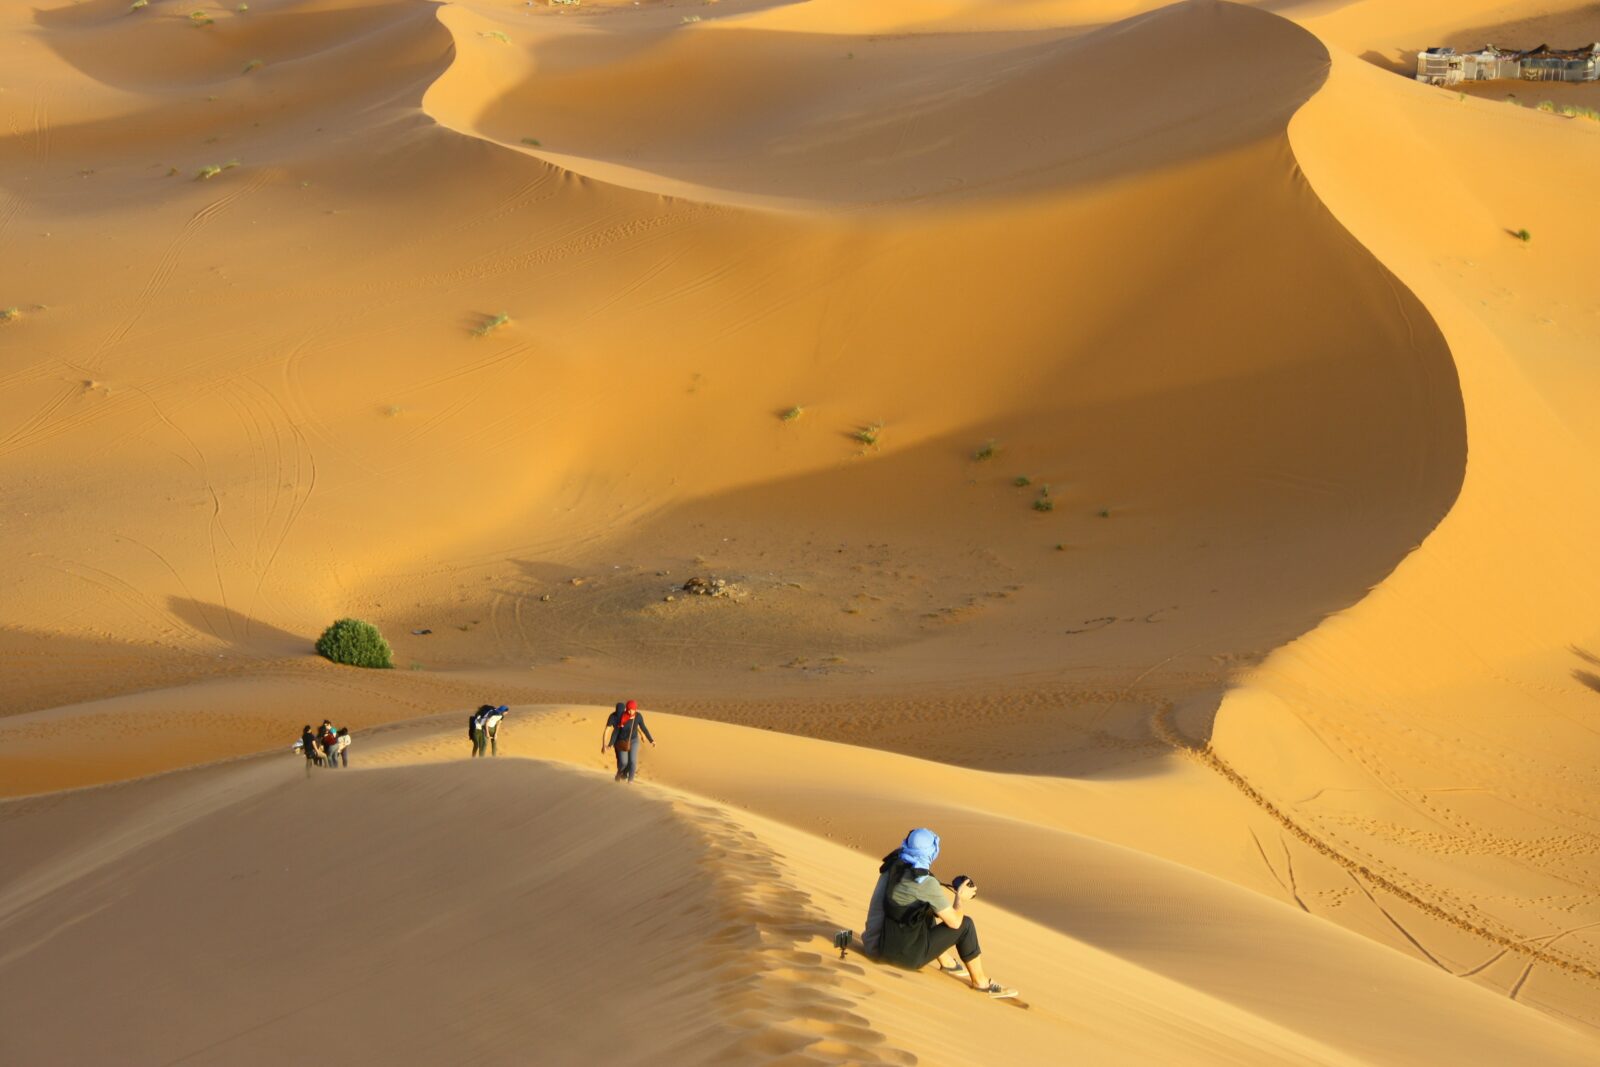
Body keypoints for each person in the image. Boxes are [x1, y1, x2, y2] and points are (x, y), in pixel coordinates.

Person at [861, 828, 1017, 999]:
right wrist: (960, 898)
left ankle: (947, 962)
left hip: (873, 944)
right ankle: (981, 983)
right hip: (901, 958)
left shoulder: (893, 864)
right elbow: (956, 923)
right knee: (966, 925)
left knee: (925, 909)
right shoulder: (924, 882)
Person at [601, 700, 655, 782]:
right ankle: (620, 773)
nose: (630, 711)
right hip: (621, 741)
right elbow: (615, 731)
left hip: (634, 740)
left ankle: (630, 782)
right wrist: (608, 744)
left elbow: (641, 727)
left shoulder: (638, 716)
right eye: (629, 709)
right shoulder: (622, 717)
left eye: (632, 709)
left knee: (633, 762)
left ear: (635, 709)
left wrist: (651, 740)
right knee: (624, 762)